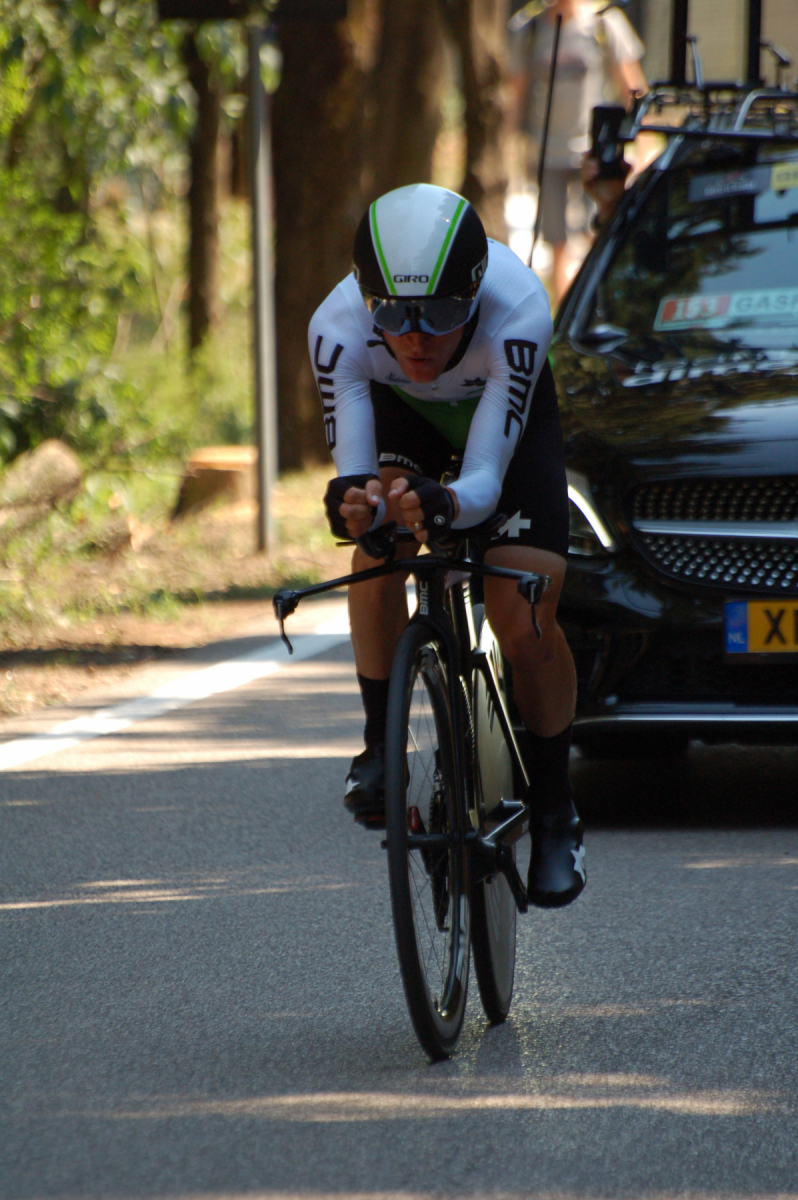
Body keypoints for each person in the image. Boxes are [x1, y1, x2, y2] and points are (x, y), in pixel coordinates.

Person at [308, 182, 584, 909]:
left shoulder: (518, 309)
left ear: (475, 291)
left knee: (522, 615)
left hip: (505, 434)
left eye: (441, 313)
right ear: (367, 298)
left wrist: (449, 502)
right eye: (393, 315)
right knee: (377, 552)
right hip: (407, 421)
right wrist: (357, 506)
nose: (416, 338)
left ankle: (556, 810)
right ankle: (380, 747)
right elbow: (358, 481)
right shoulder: (336, 326)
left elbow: (486, 481)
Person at [510, 0, 647, 300]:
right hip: (546, 152)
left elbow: (632, 86)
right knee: (557, 243)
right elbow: (515, 93)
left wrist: (640, 144)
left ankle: (597, 301)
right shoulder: (528, 27)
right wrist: (512, 146)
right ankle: (567, 309)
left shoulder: (604, 22)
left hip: (592, 153)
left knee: (596, 232)